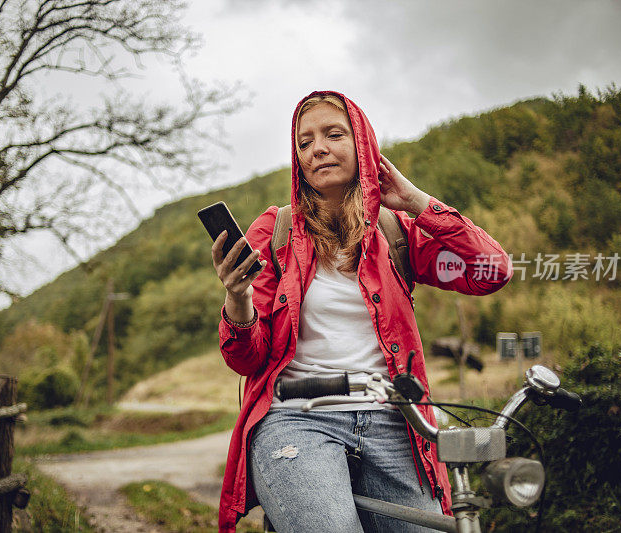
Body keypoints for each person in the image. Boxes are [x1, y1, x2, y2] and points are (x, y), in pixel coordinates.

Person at [211, 91, 511, 533]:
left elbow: (491, 271)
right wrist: (237, 300)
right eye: (305, 141)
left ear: (364, 145)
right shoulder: (272, 232)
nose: (317, 149)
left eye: (334, 134)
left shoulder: (397, 232)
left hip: (396, 421)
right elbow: (246, 359)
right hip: (297, 420)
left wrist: (416, 202)